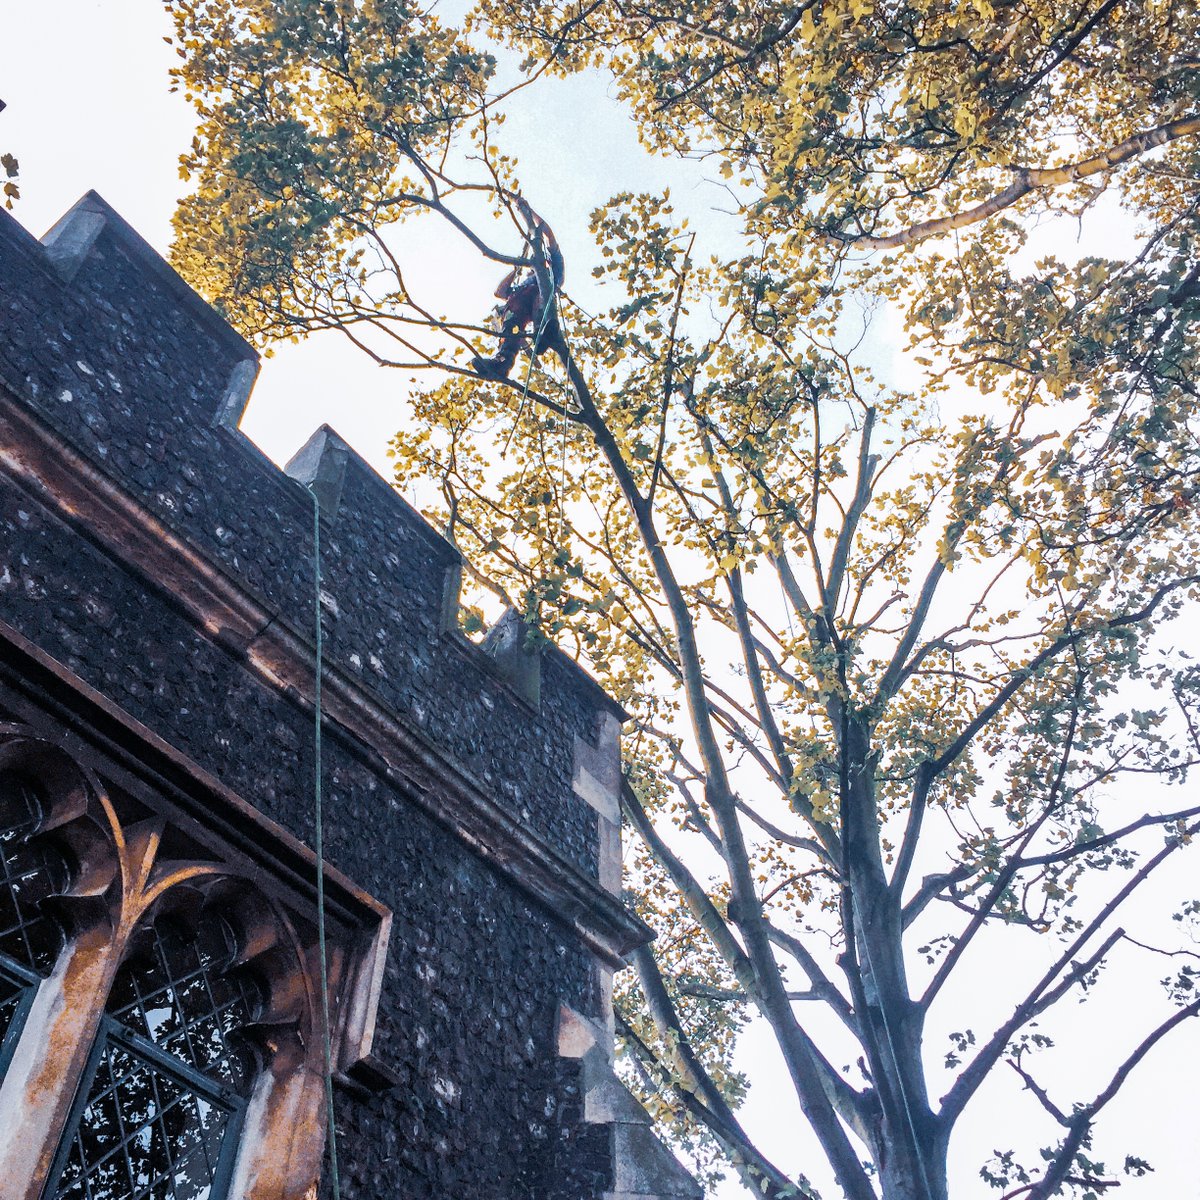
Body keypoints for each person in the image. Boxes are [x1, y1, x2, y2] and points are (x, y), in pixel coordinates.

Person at [471, 214, 564, 380]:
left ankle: (543, 331)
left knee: (539, 295)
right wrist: (515, 269)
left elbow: (548, 234)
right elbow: (500, 292)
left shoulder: (552, 265)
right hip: (519, 309)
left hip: (541, 297)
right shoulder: (522, 284)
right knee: (511, 324)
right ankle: (502, 362)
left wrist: (527, 212)